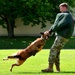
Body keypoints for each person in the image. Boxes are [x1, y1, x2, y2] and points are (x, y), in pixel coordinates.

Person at [41, 2, 74, 72]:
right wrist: (50, 31)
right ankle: (58, 69)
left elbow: (58, 25)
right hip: (66, 37)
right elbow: (58, 24)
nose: (60, 9)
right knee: (57, 51)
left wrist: (50, 31)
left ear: (65, 7)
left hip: (62, 36)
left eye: (61, 8)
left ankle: (50, 68)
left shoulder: (65, 15)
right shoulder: (69, 16)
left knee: (53, 50)